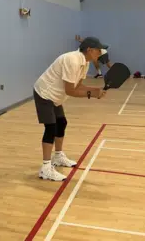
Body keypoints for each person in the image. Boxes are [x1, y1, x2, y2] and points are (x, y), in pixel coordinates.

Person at [33, 37, 108, 181]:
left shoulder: (84, 63)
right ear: (89, 50)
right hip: (44, 93)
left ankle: (58, 156)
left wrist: (95, 90)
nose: (100, 53)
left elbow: (78, 86)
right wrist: (91, 94)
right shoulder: (72, 60)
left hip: (55, 97)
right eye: (98, 51)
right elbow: (70, 90)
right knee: (51, 127)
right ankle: (46, 168)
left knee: (62, 123)